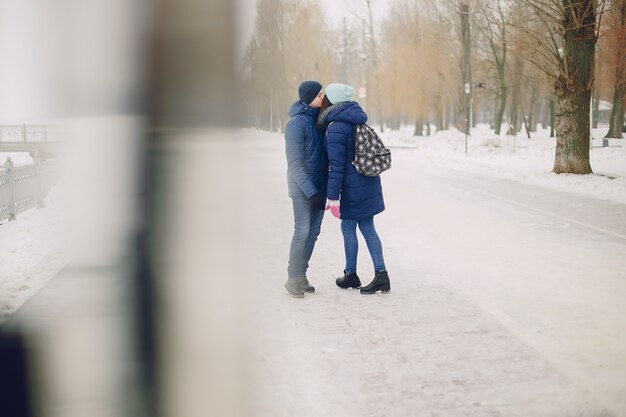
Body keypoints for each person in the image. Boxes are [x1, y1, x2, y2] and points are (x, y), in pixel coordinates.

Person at [317, 83, 391, 295]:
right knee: (363, 227)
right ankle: (366, 274)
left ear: (332, 100)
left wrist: (333, 196)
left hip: (352, 186)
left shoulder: (337, 127)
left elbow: (337, 166)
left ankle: (368, 274)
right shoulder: (354, 117)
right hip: (367, 181)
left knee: (353, 228)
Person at [283, 81, 328, 298]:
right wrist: (311, 192)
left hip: (319, 189)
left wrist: (324, 191)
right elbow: (295, 163)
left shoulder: (321, 122)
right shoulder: (296, 124)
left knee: (313, 233)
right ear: (309, 97)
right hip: (302, 189)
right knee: (302, 231)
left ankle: (301, 275)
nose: (323, 97)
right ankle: (292, 278)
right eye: (320, 94)